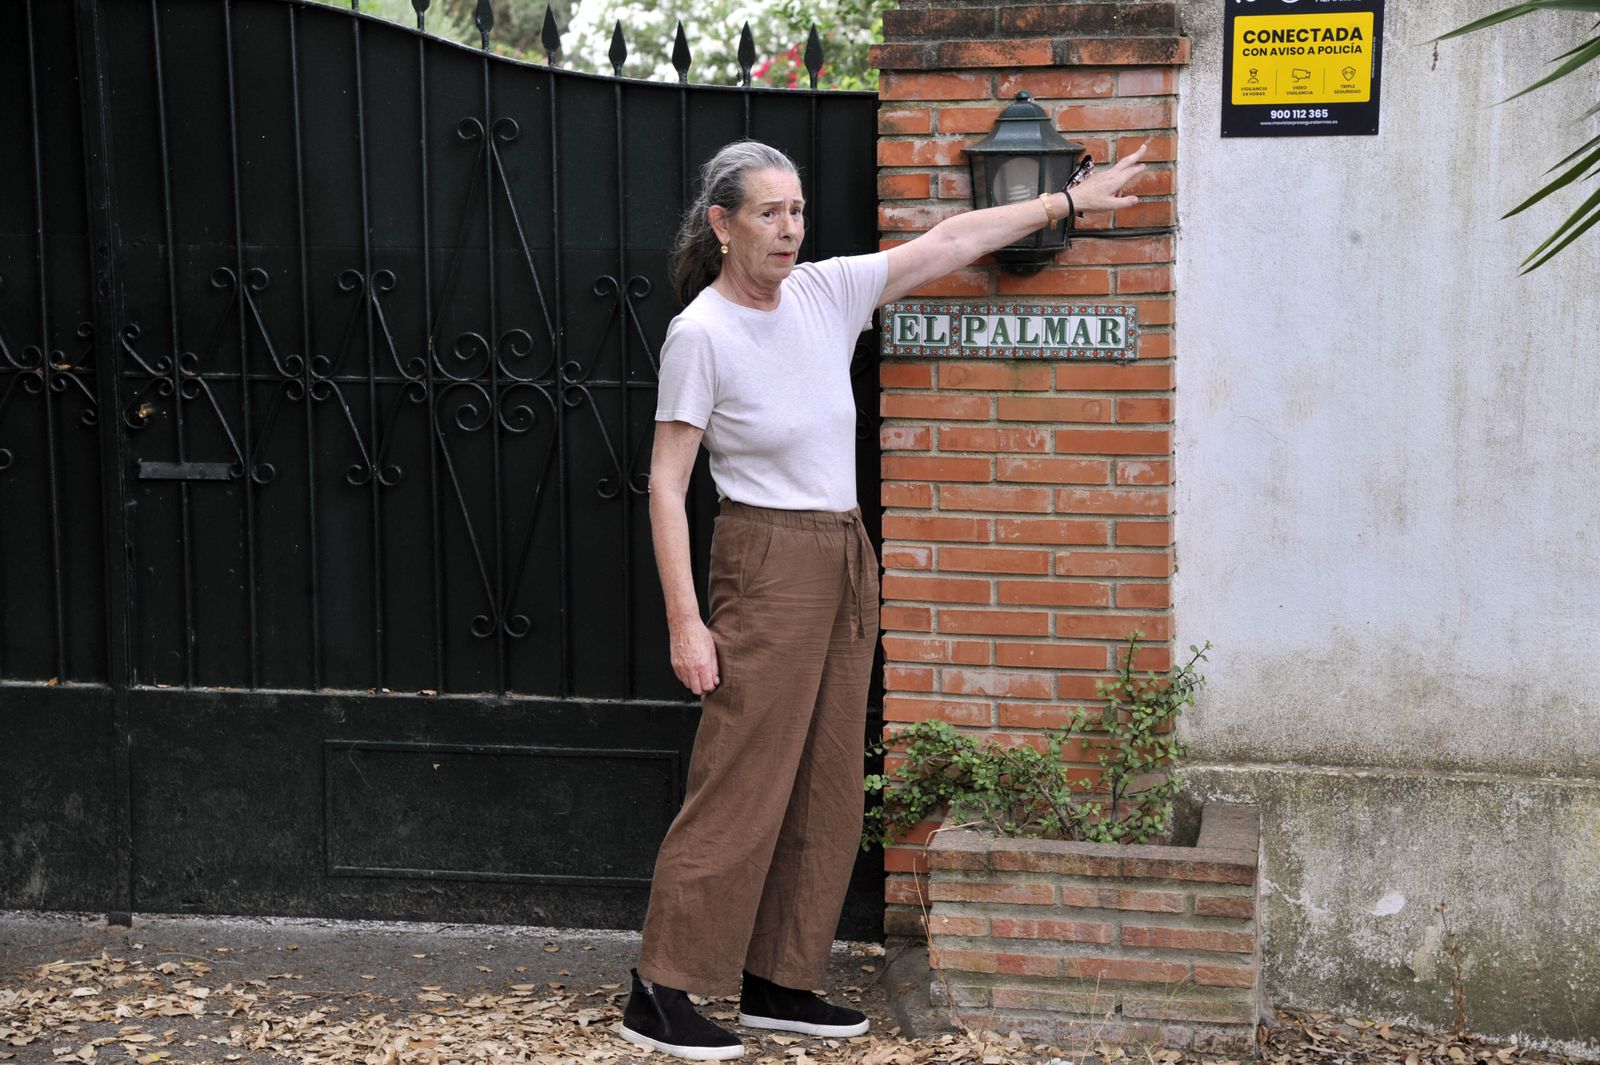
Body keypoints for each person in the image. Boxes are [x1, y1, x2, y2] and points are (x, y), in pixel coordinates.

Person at [619, 138, 1148, 1061]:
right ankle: (661, 988)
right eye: (768, 214)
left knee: (827, 782)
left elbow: (948, 240)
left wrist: (1065, 204)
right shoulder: (701, 332)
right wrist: (685, 619)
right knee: (743, 776)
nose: (789, 231)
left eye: (796, 212)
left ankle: (781, 979)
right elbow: (667, 482)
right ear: (722, 223)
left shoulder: (826, 292)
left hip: (843, 548)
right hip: (766, 556)